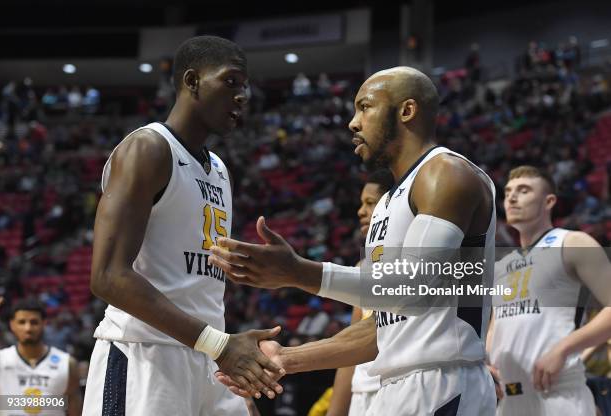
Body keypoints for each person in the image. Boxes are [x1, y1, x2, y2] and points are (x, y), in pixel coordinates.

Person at [211, 66, 498, 415]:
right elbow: (382, 330)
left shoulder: (446, 173)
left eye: (365, 107)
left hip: (443, 383)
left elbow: (411, 287)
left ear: (407, 111)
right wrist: (283, 359)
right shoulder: (387, 204)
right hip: (392, 388)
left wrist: (298, 272)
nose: (353, 122)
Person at [82, 36, 283, 416]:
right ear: (192, 81)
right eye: (231, 82)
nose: (243, 96)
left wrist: (226, 367)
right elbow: (107, 276)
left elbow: (196, 286)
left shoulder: (220, 169)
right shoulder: (148, 148)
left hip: (208, 356)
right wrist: (219, 346)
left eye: (245, 86)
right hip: (146, 356)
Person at [487, 165, 611, 415]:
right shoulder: (500, 267)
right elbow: (495, 327)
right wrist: (486, 363)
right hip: (507, 399)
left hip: (558, 394)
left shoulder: (572, 242)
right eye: (508, 191)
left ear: (549, 201)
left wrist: (564, 348)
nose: (511, 197)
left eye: (523, 191)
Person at [326, 169, 393, 416]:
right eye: (361, 203)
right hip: (361, 394)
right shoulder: (362, 267)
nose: (360, 211)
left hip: (396, 388)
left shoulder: (414, 261)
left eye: (370, 203)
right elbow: (349, 353)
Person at [0, 299, 82, 416]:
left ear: (44, 323)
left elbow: (75, 412)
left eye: (34, 322)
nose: (28, 328)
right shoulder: (1, 360)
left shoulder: (67, 364)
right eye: (22, 322)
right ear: (12, 325)